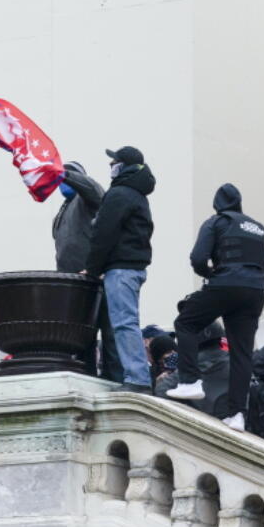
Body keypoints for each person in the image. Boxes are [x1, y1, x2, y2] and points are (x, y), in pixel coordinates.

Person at [165, 184, 264, 431]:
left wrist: (211, 274)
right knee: (242, 353)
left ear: (218, 204)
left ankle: (190, 380)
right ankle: (237, 416)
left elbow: (198, 258)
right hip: (255, 291)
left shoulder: (216, 222)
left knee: (185, 323)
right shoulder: (258, 229)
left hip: (225, 283)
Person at [83, 147, 156, 393]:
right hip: (132, 267)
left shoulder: (119, 194)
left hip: (121, 269)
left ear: (123, 166)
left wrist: (92, 269)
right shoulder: (137, 194)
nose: (111, 165)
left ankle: (136, 379)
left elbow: (103, 234)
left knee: (124, 324)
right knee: (127, 322)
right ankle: (136, 377)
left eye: (114, 161)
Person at [158, 322, 230, 419]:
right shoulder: (236, 363)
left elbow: (162, 390)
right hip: (235, 427)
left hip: (198, 425)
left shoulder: (189, 366)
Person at [52, 161, 105, 273]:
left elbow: (92, 188)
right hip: (66, 277)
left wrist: (66, 175)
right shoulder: (62, 211)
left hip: (88, 275)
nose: (62, 181)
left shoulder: (88, 200)